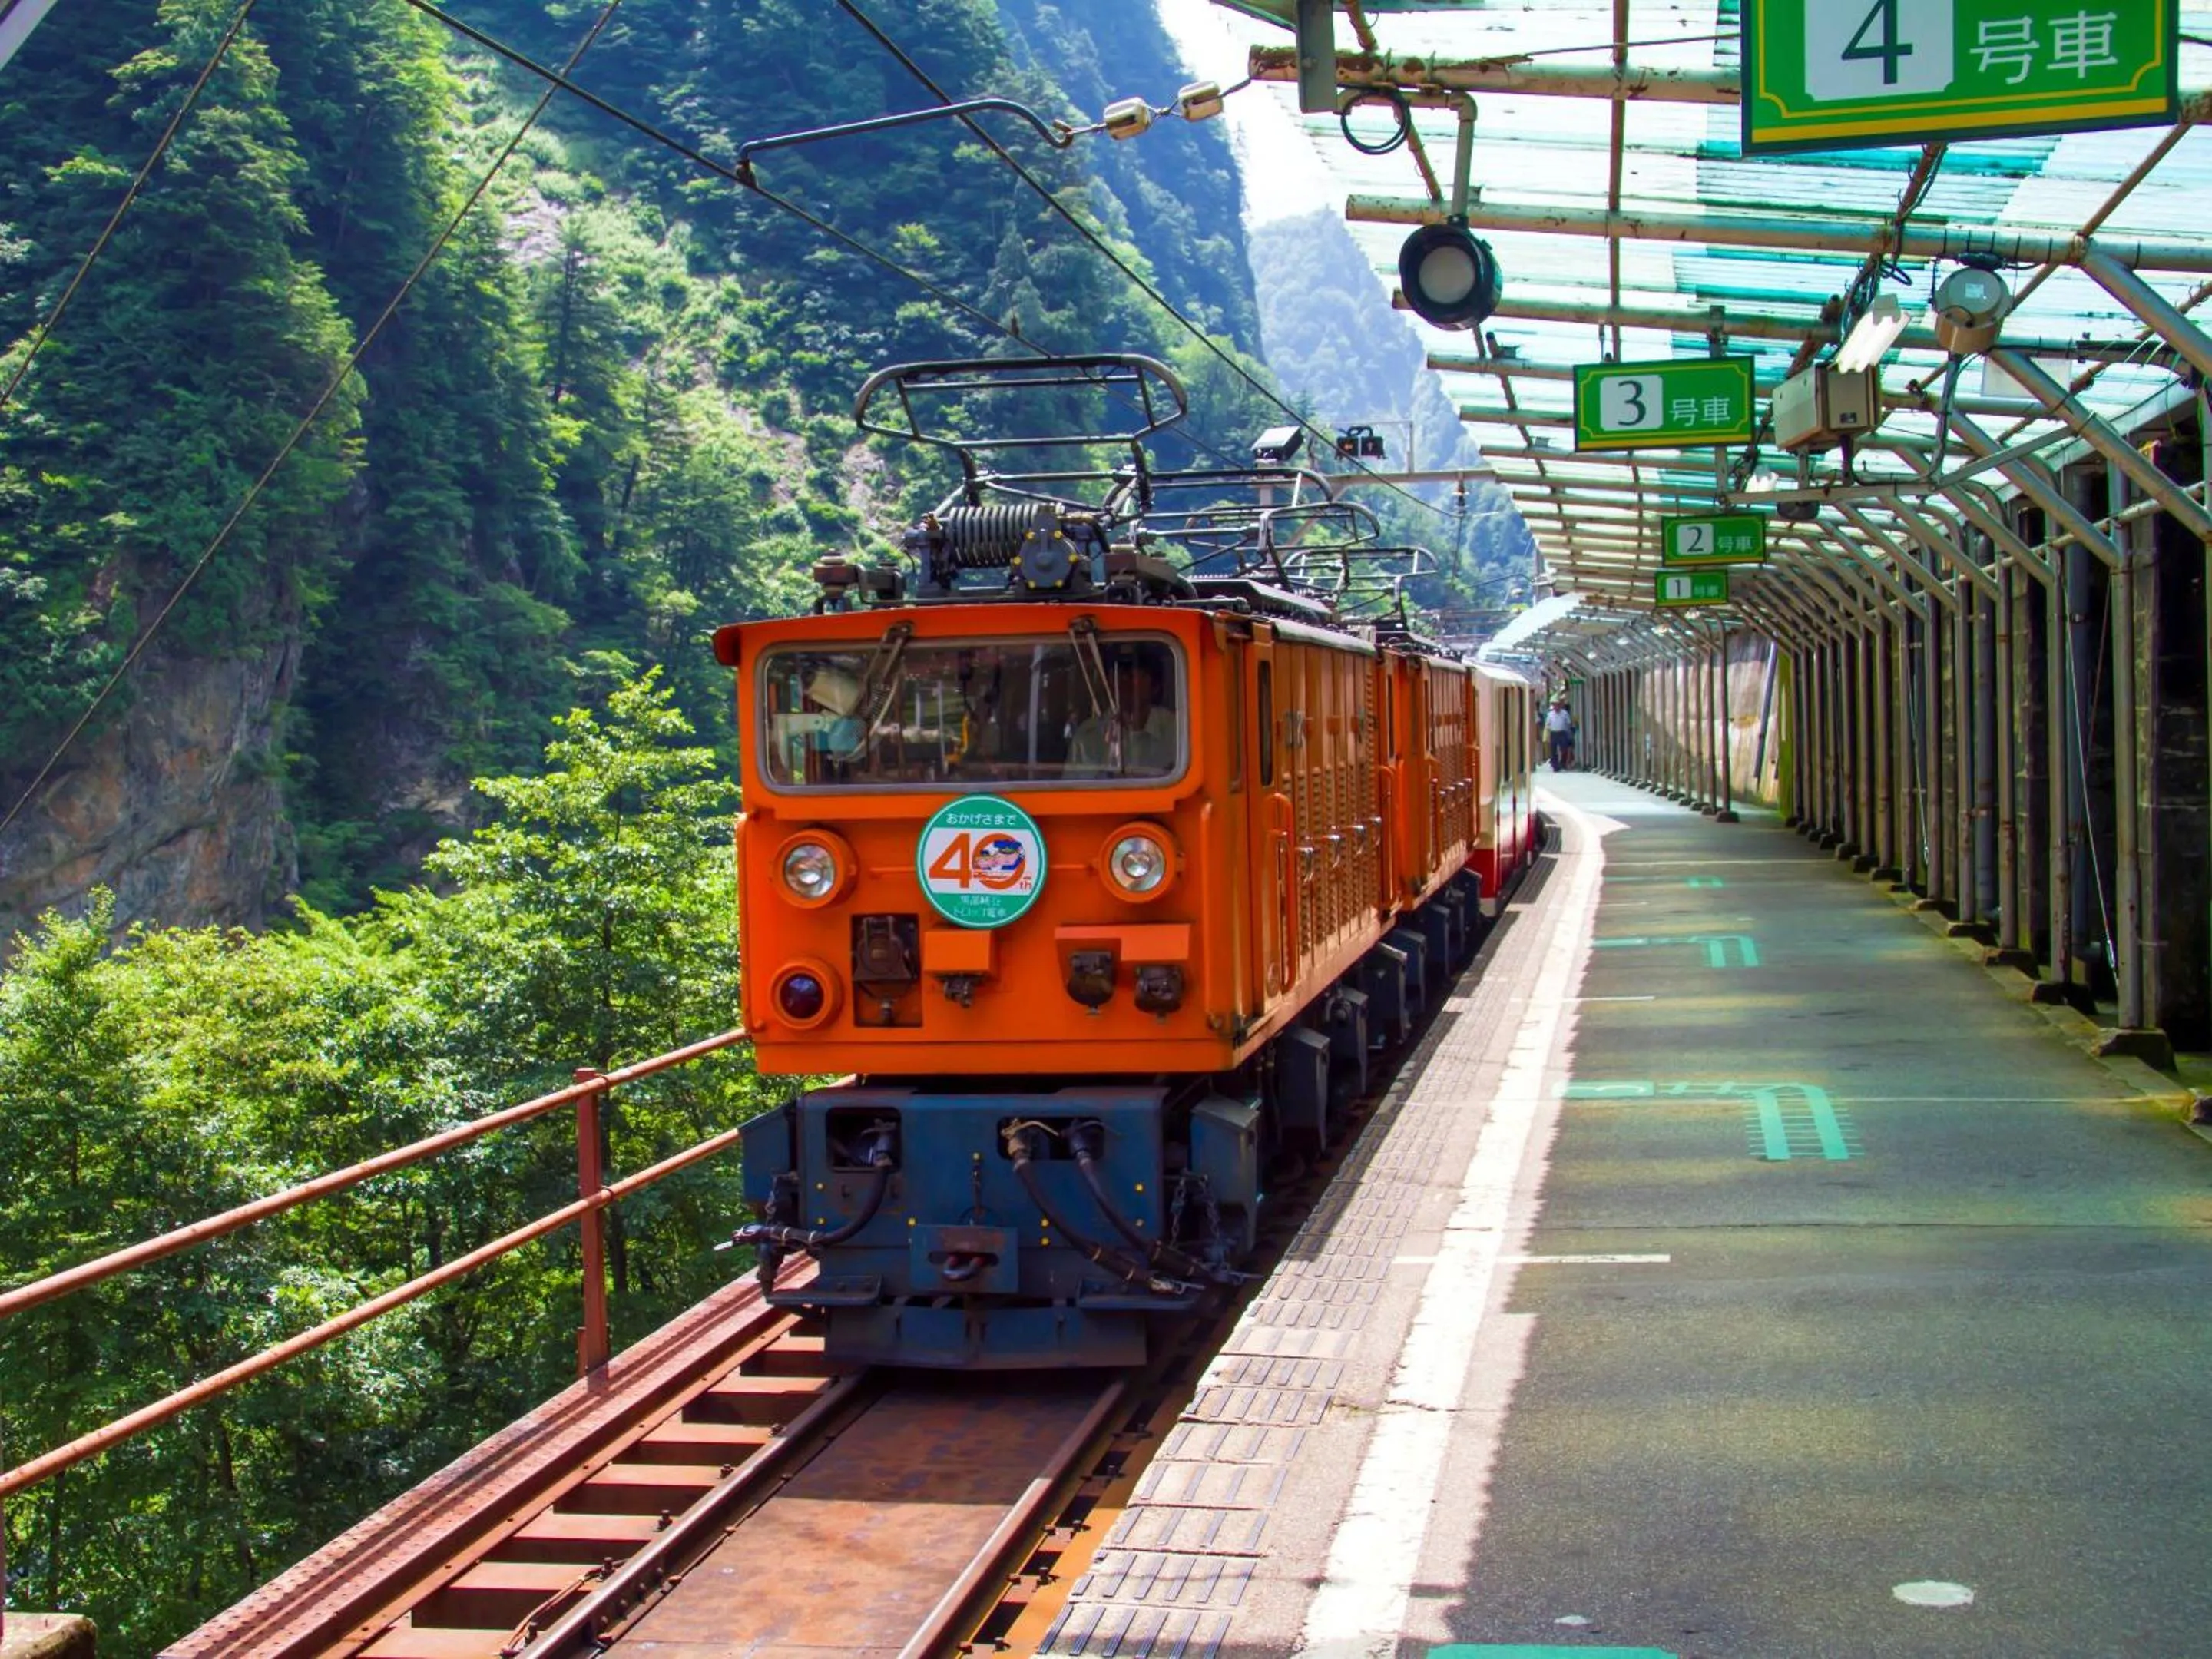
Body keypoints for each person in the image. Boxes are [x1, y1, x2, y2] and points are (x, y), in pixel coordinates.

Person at [1068, 654, 1176, 776]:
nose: (1122, 681)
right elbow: (1072, 784)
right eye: (1117, 675)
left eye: (1131, 675)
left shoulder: (1176, 732)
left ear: (1155, 686)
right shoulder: (1087, 736)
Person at [1545, 697, 1577, 772]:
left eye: (1558, 705)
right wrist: (1548, 732)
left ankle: (1563, 764)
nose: (1556, 707)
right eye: (1555, 705)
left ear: (1560, 706)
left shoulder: (1564, 713)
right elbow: (1547, 725)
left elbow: (1568, 723)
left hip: (1562, 733)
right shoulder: (1550, 714)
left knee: (1564, 748)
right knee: (1553, 750)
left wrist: (1568, 732)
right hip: (1553, 733)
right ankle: (1555, 766)